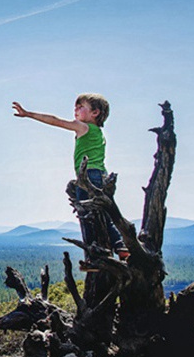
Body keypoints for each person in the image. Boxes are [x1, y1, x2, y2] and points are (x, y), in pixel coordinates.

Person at [12, 94, 126, 258]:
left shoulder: (83, 127)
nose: (76, 110)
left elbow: (55, 120)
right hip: (101, 176)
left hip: (88, 177)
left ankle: (94, 255)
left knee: (85, 215)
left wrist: (28, 114)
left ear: (95, 112)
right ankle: (120, 247)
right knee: (104, 214)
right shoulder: (98, 133)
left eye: (81, 107)